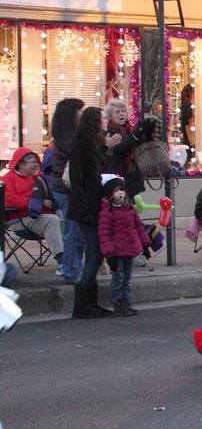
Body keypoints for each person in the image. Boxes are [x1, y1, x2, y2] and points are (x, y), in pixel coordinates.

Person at [68, 107, 113, 318]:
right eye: (103, 118)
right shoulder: (80, 146)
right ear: (94, 122)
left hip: (95, 205)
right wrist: (84, 209)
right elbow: (77, 181)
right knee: (94, 254)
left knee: (96, 255)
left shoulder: (95, 145)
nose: (106, 121)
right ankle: (83, 304)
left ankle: (90, 302)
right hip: (85, 208)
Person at [42, 98, 84, 284]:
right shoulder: (68, 138)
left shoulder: (67, 136)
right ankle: (70, 270)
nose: (81, 114)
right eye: (79, 111)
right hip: (67, 189)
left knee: (75, 231)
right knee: (73, 231)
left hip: (68, 189)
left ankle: (73, 268)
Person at [1, 148, 64, 269]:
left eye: (37, 161)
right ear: (20, 164)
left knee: (68, 222)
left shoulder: (41, 179)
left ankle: (71, 261)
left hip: (42, 219)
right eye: (32, 161)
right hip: (19, 220)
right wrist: (36, 202)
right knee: (53, 220)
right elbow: (7, 200)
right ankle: (62, 261)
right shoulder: (8, 179)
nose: (36, 164)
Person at [98, 177, 150, 316]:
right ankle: (118, 304)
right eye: (116, 191)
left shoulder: (129, 209)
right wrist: (109, 254)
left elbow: (138, 227)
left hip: (129, 249)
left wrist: (145, 244)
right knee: (118, 279)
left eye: (122, 190)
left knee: (126, 279)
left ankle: (126, 303)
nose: (120, 193)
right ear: (110, 194)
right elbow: (104, 234)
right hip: (116, 252)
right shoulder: (107, 212)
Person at [104, 98, 152, 199]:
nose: (122, 114)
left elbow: (140, 145)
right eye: (117, 111)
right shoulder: (110, 130)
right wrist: (137, 133)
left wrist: (146, 132)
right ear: (110, 116)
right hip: (118, 177)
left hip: (132, 176)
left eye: (123, 111)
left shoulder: (130, 128)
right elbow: (120, 147)